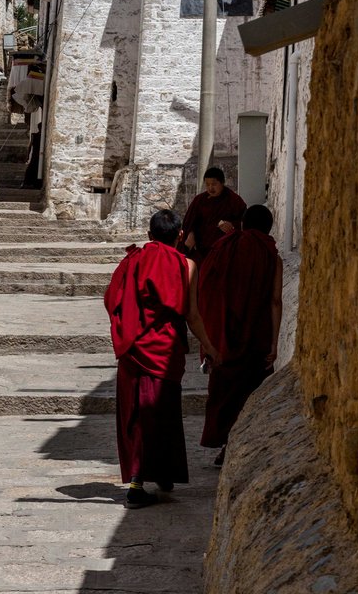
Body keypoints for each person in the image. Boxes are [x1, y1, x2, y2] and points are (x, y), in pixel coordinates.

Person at [104, 208, 221, 509]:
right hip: (164, 350)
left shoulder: (132, 261)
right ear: (180, 235)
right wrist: (209, 346)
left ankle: (147, 477)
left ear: (148, 235)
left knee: (135, 414)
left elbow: (113, 300)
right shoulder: (188, 265)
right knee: (161, 412)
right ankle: (137, 486)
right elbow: (192, 315)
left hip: (134, 348)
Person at [198, 204, 283, 466]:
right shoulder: (272, 256)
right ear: (269, 228)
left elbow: (207, 291)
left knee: (225, 396)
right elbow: (275, 301)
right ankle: (245, 447)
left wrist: (209, 341)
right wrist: (274, 343)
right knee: (251, 394)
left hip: (225, 336)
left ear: (244, 224)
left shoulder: (226, 248)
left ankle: (226, 445)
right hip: (256, 336)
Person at [180, 167, 246, 268]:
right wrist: (191, 233)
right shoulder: (199, 201)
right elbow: (189, 222)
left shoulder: (233, 200)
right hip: (201, 250)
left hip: (225, 252)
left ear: (222, 183)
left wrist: (232, 226)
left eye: (214, 184)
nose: (210, 188)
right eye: (207, 184)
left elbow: (244, 222)